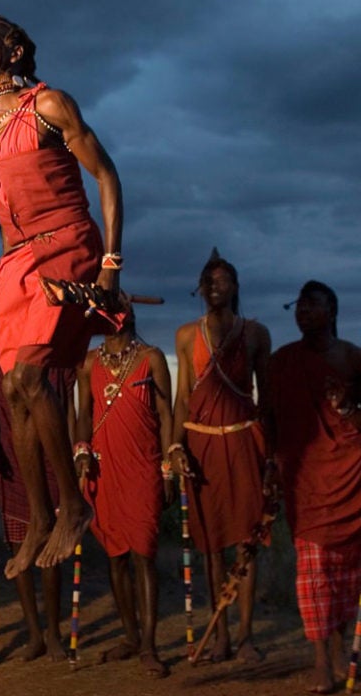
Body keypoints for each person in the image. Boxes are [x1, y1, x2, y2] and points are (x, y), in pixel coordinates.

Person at [0, 0, 125, 577]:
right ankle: (41, 517)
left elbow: (106, 175)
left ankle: (73, 508)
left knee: (30, 376)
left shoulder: (48, 105)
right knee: (14, 390)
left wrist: (110, 265)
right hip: (17, 263)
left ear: (15, 50)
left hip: (70, 243)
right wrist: (4, 267)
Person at [170, 252, 271, 664]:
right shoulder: (185, 335)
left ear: (235, 287)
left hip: (243, 442)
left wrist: (274, 456)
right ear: (200, 288)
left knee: (247, 542)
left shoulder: (256, 334)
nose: (214, 286)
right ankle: (221, 636)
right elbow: (182, 400)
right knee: (210, 545)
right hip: (202, 446)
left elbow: (268, 401)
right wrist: (174, 448)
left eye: (222, 280)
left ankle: (246, 636)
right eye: (208, 280)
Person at [267, 281, 361, 695]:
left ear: (332, 310)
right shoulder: (283, 361)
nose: (302, 310)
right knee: (314, 573)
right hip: (306, 479)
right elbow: (268, 417)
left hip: (351, 476)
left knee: (347, 574)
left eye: (312, 304)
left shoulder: (353, 358)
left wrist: (348, 408)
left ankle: (341, 650)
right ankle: (322, 660)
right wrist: (270, 462)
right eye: (298, 304)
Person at [75, 310, 172, 678]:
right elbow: (84, 413)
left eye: (121, 308)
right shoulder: (89, 363)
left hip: (144, 467)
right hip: (104, 469)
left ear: (131, 316)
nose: (115, 315)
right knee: (115, 556)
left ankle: (149, 645)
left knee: (144, 554)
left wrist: (166, 470)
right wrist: (81, 451)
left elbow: (165, 412)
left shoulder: (152, 358)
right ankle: (131, 636)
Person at [0, 337, 71, 662]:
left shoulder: (51, 346)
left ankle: (54, 634)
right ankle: (34, 634)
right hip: (12, 461)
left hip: (50, 461)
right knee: (20, 551)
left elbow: (66, 402)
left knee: (50, 552)